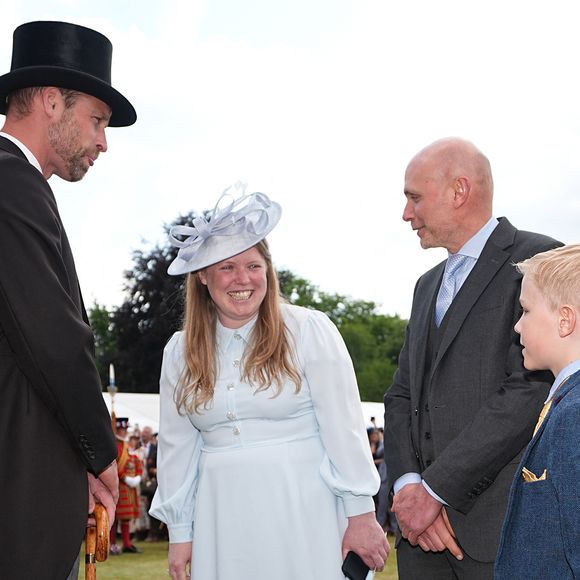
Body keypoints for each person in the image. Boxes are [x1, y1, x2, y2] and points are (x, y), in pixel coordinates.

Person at [150, 185, 389, 580]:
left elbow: (343, 429)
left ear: (268, 271)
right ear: (204, 278)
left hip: (303, 509)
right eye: (227, 267)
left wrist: (361, 513)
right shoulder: (179, 351)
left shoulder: (309, 330)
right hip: (221, 517)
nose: (242, 279)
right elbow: (177, 449)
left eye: (253, 266)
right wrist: (180, 531)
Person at [383, 137, 561, 579]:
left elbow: (529, 388)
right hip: (421, 541)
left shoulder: (540, 260)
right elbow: (402, 393)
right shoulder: (426, 285)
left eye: (414, 197)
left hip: (496, 532)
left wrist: (436, 490)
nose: (407, 214)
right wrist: (408, 488)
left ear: (459, 191)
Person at [0, 20, 136, 579]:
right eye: (98, 120)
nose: (103, 141)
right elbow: (53, 340)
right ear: (52, 103)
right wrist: (100, 454)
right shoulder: (13, 185)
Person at [495, 245, 580, 579]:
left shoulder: (574, 414)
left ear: (564, 320)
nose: (517, 326)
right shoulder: (566, 401)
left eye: (526, 311)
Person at [110, 418, 143, 554]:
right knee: (115, 516)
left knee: (126, 517)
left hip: (129, 488)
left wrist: (138, 475)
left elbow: (135, 461)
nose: (124, 432)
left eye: (125, 430)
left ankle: (127, 543)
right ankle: (112, 544)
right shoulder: (115, 445)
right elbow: (114, 466)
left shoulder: (126, 445)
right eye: (121, 430)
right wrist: (125, 478)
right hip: (118, 485)